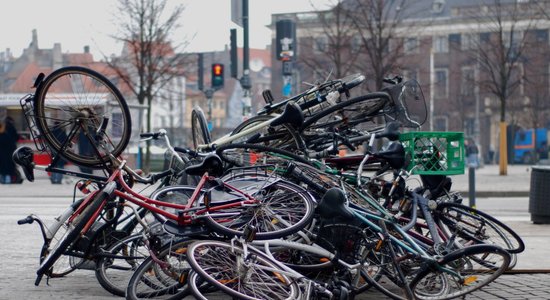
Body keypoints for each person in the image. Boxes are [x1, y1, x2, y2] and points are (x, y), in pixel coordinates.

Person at [0, 109, 19, 184]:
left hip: (1, 150)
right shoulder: (11, 127)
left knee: (2, 165)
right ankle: (8, 180)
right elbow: (16, 137)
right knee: (9, 165)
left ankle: (3, 179)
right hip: (10, 150)